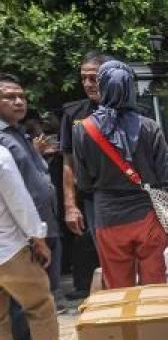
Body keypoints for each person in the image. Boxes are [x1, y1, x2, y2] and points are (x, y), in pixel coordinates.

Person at [73, 60, 168, 288]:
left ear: (103, 86)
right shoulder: (149, 127)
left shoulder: (82, 130)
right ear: (131, 88)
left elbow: (85, 183)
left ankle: (128, 324)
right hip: (149, 216)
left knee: (120, 289)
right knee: (156, 286)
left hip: (109, 219)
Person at [0, 142, 80, 340]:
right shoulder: (0, 155)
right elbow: (18, 200)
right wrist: (38, 236)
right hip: (8, 248)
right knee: (39, 304)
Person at [0, 75, 61, 297]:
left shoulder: (20, 133)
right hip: (24, 234)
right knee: (27, 304)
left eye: (22, 96)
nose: (19, 101)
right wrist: (32, 235)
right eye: (9, 97)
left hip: (46, 222)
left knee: (47, 294)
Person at [60, 50, 106, 298]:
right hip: (93, 199)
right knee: (104, 254)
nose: (88, 84)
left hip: (132, 199)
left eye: (94, 78)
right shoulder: (74, 115)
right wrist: (70, 205)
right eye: (84, 78)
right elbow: (68, 162)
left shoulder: (135, 114)